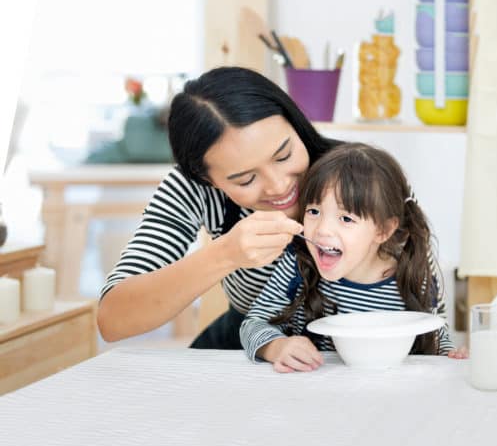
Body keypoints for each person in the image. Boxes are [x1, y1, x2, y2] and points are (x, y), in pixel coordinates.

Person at [97, 66, 343, 349]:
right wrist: (225, 254)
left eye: (283, 155)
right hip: (243, 346)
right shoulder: (193, 188)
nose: (277, 186)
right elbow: (113, 319)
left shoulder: (361, 172)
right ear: (206, 178)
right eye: (246, 179)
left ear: (295, 122)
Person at [241, 143, 468, 372]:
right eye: (314, 212)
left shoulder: (412, 271)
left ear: (383, 230)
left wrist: (450, 354)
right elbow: (252, 325)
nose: (322, 230)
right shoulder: (298, 264)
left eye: (346, 219)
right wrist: (276, 346)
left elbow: (435, 335)